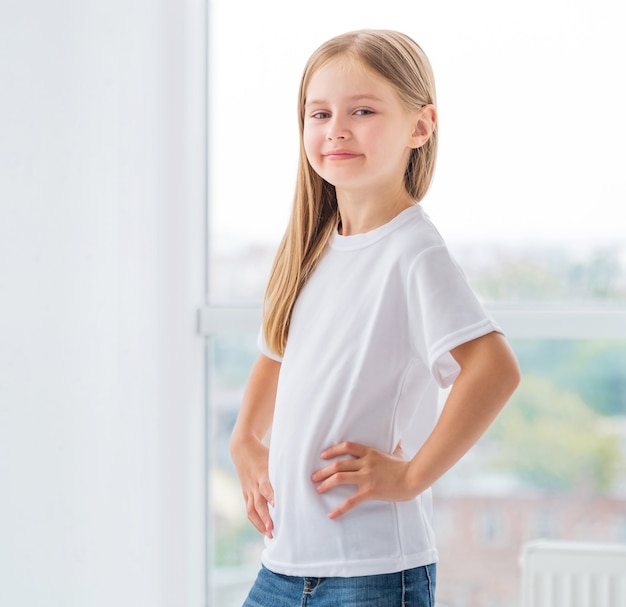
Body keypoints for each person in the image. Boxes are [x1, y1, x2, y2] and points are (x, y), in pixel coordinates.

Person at [230, 29, 520, 607]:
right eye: (320, 113)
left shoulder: (414, 252)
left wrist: (411, 478)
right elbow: (276, 354)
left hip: (373, 573)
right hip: (285, 565)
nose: (336, 128)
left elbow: (493, 370)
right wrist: (244, 439)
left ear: (420, 126)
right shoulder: (309, 250)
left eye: (362, 110)